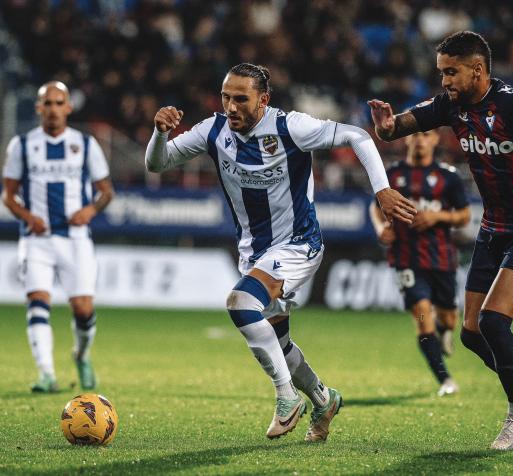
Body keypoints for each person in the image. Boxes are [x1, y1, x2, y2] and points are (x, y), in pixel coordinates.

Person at [145, 63, 416, 441]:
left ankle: (286, 397)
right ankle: (324, 399)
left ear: (264, 99)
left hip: (298, 244)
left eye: (241, 99)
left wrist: (381, 189)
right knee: (279, 342)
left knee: (240, 303)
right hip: (254, 252)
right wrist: (159, 134)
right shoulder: (214, 130)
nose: (232, 107)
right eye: (226, 97)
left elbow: (357, 135)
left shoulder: (290, 127)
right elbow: (157, 163)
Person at [369, 31, 513, 450]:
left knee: (495, 321)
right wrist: (388, 127)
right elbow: (401, 127)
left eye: (451, 72)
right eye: (441, 72)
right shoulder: (452, 107)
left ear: (478, 70)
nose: (443, 81)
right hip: (495, 226)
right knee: (471, 333)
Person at [2, 81, 114, 393]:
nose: (52, 109)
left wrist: (90, 211)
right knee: (38, 302)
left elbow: (106, 192)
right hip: (36, 240)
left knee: (83, 309)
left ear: (68, 107)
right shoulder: (21, 145)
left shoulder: (85, 144)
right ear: (39, 108)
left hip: (76, 240)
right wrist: (27, 217)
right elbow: (8, 196)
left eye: (58, 103)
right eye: (47, 103)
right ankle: (46, 374)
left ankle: (81, 354)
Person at [369, 130, 470, 397]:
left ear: (436, 139)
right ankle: (445, 379)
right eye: (415, 135)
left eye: (426, 135)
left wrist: (438, 217)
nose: (420, 140)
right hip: (406, 259)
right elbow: (375, 206)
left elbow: (464, 215)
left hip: (442, 259)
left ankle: (444, 329)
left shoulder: (448, 176)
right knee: (423, 318)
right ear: (406, 140)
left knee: (449, 317)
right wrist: (380, 228)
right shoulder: (391, 175)